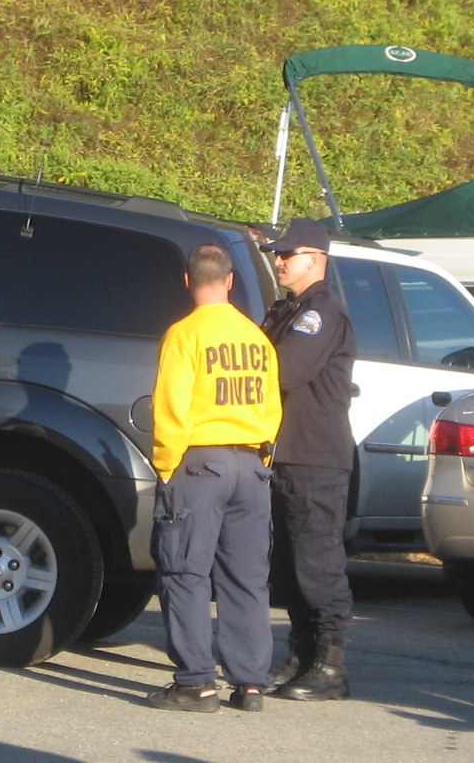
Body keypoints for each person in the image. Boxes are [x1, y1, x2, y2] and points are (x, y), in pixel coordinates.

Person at [147, 243, 282, 713]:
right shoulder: (256, 338)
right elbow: (272, 409)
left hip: (201, 464)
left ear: (188, 281)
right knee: (246, 578)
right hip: (252, 465)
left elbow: (170, 410)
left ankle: (197, 682)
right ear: (229, 281)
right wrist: (261, 459)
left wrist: (167, 468)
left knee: (185, 570)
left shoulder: (184, 335)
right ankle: (250, 684)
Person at [260, 217, 356, 701]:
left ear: (315, 258)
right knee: (290, 564)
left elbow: (283, 370)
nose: (278, 260)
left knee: (317, 563)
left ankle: (330, 665)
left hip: (315, 458)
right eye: (276, 253)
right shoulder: (287, 310)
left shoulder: (320, 314)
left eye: (287, 253)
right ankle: (300, 654)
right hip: (286, 455)